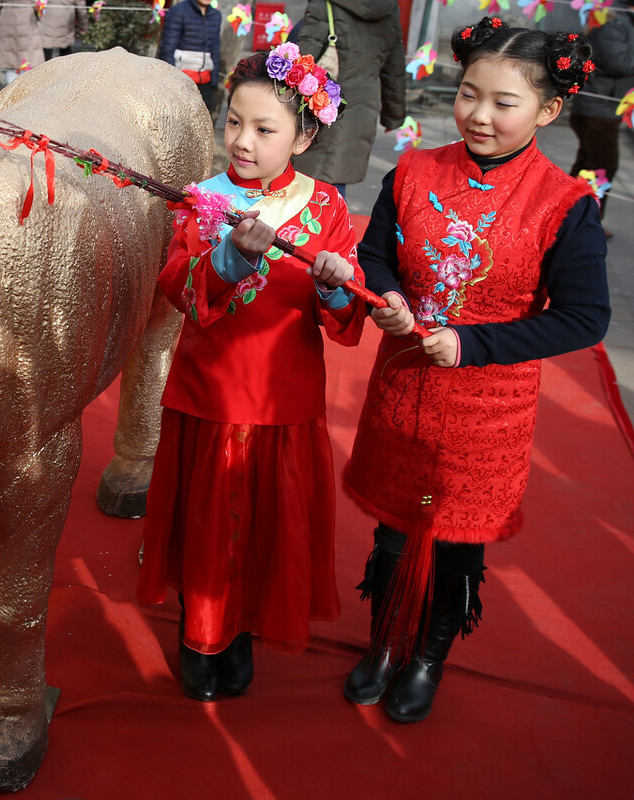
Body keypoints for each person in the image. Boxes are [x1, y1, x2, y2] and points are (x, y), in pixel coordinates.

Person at [343, 16, 611, 724]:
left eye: (503, 101)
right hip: (403, 386)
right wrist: (390, 297)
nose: (479, 114)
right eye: (469, 94)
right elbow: (376, 256)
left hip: (489, 407)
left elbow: (586, 317)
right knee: (393, 532)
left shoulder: (566, 205)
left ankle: (429, 654)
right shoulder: (414, 171)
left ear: (549, 110)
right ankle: (383, 641)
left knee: (459, 542)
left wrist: (471, 344)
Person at [137, 47, 365, 701]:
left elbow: (346, 313)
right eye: (233, 121)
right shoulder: (204, 200)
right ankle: (200, 635)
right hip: (209, 393)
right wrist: (231, 260)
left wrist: (337, 286)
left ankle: (240, 632)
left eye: (264, 130)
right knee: (208, 527)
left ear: (306, 134)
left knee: (264, 528)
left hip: (283, 399)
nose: (241, 140)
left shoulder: (325, 207)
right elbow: (178, 285)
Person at [291, 0, 406, 197]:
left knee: (301, 183)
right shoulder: (388, 8)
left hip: (319, 106)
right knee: (336, 183)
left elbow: (302, 61)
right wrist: (393, 116)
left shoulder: (325, 5)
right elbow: (393, 70)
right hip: (359, 113)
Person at [569, 0, 634, 234]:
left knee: (588, 164)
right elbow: (617, 62)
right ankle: (587, 224)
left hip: (605, 109)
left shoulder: (622, 22)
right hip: (597, 109)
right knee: (603, 166)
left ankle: (569, 215)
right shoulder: (614, 23)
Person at [157, 0, 224, 123]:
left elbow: (215, 49)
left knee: (203, 123)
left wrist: (214, 81)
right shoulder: (178, 11)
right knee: (178, 122)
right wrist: (170, 82)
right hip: (181, 81)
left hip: (205, 81)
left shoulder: (216, 15)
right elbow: (167, 49)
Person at [0, 0, 45, 84]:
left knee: (9, 61)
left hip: (8, 19)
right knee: (28, 59)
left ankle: (13, 91)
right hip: (27, 19)